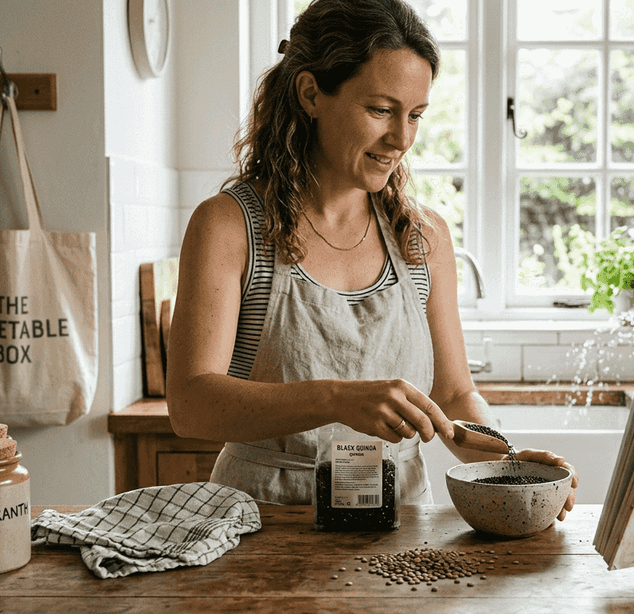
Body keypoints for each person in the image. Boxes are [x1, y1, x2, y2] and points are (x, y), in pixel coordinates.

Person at [166, 0, 577, 518]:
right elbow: (190, 406)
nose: (401, 139)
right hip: (261, 523)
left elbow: (452, 395)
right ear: (311, 93)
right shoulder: (230, 226)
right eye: (380, 110)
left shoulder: (423, 238)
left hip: (400, 528)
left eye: (416, 116)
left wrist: (508, 462)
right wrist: (338, 398)